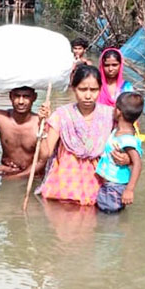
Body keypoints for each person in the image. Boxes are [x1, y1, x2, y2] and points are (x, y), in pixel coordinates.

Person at [36, 65, 116, 206]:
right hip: (64, 186)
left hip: (97, 183)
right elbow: (45, 154)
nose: (88, 95)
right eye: (82, 89)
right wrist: (42, 126)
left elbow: (126, 145)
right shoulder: (61, 115)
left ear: (100, 89)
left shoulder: (110, 116)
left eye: (93, 90)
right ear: (73, 89)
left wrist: (125, 157)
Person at [95, 92, 144, 213]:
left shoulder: (127, 139)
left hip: (116, 186)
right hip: (110, 184)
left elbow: (138, 164)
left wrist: (129, 190)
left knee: (110, 217)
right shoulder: (118, 131)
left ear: (118, 111)